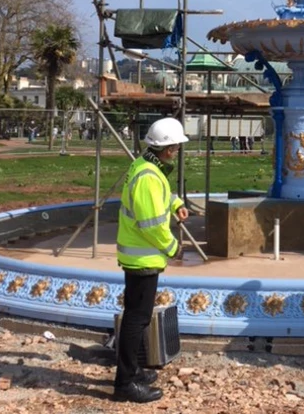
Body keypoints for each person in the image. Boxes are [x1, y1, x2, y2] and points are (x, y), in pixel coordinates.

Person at [114, 117, 190, 403]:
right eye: (176, 146)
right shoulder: (148, 176)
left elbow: (160, 197)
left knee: (137, 316)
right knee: (137, 318)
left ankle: (131, 371)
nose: (178, 151)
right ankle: (124, 384)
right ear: (168, 149)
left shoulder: (147, 166)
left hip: (138, 255)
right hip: (142, 257)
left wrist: (176, 203)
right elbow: (151, 224)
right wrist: (173, 248)